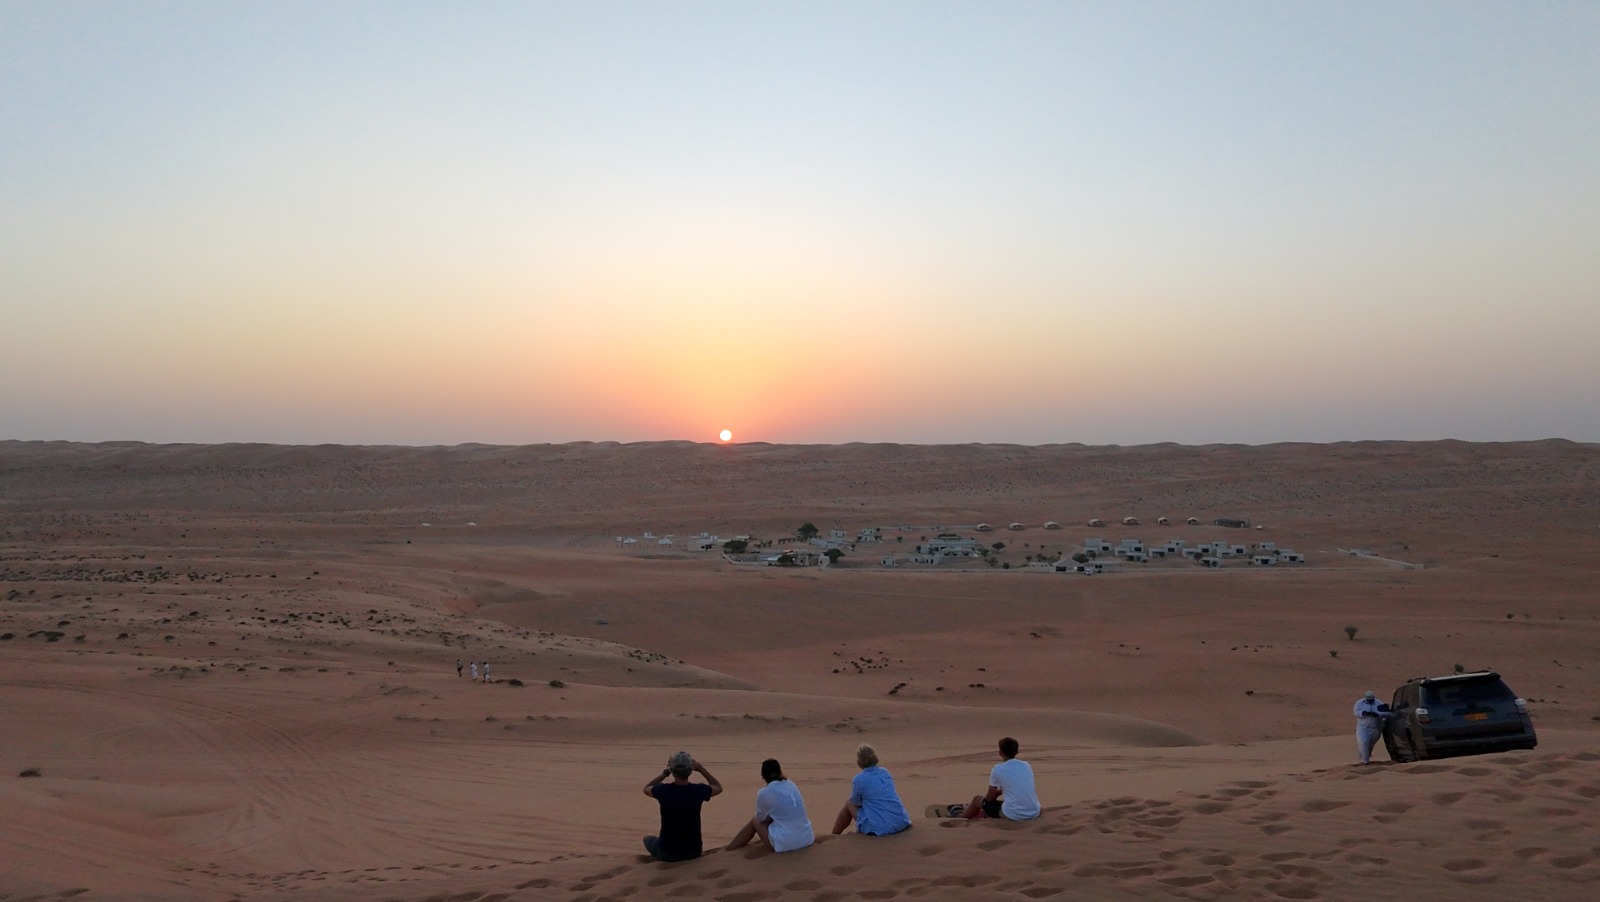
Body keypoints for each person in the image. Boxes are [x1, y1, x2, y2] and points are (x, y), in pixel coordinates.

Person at [643, 751, 723, 861]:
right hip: (693, 852)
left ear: (672, 770)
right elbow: (718, 787)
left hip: (667, 853)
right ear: (690, 770)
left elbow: (647, 788)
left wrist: (666, 772)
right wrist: (702, 770)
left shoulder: (663, 790)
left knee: (647, 839)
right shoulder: (698, 790)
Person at [725, 758, 814, 854]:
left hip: (787, 843)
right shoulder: (791, 784)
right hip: (807, 837)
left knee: (755, 820)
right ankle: (731, 848)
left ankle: (730, 849)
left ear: (763, 776)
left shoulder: (765, 793)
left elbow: (760, 818)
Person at [831, 744, 911, 836]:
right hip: (900, 821)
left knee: (848, 804)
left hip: (880, 829)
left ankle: (834, 836)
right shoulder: (885, 772)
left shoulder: (859, 779)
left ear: (859, 762)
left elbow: (855, 802)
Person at [963, 736, 1041, 820]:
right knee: (1010, 802)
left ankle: (961, 818)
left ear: (1000, 752)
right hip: (1034, 811)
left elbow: (990, 797)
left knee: (977, 800)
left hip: (1014, 815)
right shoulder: (1026, 765)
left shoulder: (998, 769)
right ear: (1017, 751)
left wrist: (985, 802)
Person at [1353, 690, 1389, 764]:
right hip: (1363, 727)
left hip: (1376, 728)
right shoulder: (1359, 703)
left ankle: (1367, 756)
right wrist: (1363, 713)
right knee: (1364, 742)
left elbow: (1386, 713)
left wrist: (1378, 714)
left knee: (1370, 744)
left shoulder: (1379, 703)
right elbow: (1356, 712)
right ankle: (1365, 761)